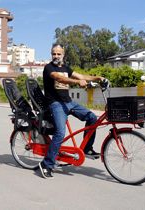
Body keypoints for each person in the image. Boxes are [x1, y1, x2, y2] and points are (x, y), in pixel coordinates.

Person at [39, 44, 104, 179]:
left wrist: (97, 78)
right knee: (60, 133)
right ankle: (47, 164)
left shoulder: (66, 67)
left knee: (92, 118)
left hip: (68, 102)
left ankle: (87, 148)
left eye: (58, 54)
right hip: (55, 104)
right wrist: (76, 82)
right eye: (54, 54)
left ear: (63, 54)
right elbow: (59, 78)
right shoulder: (48, 68)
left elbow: (81, 75)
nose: (56, 56)